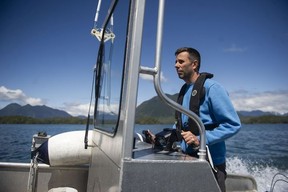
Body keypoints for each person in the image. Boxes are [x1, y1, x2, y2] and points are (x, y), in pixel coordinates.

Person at [148, 47, 241, 192]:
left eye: (181, 61)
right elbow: (182, 125)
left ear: (194, 64)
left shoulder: (213, 88)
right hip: (188, 158)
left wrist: (201, 139)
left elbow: (233, 125)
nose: (176, 65)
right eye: (175, 62)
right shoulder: (184, 91)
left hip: (211, 163)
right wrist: (161, 138)